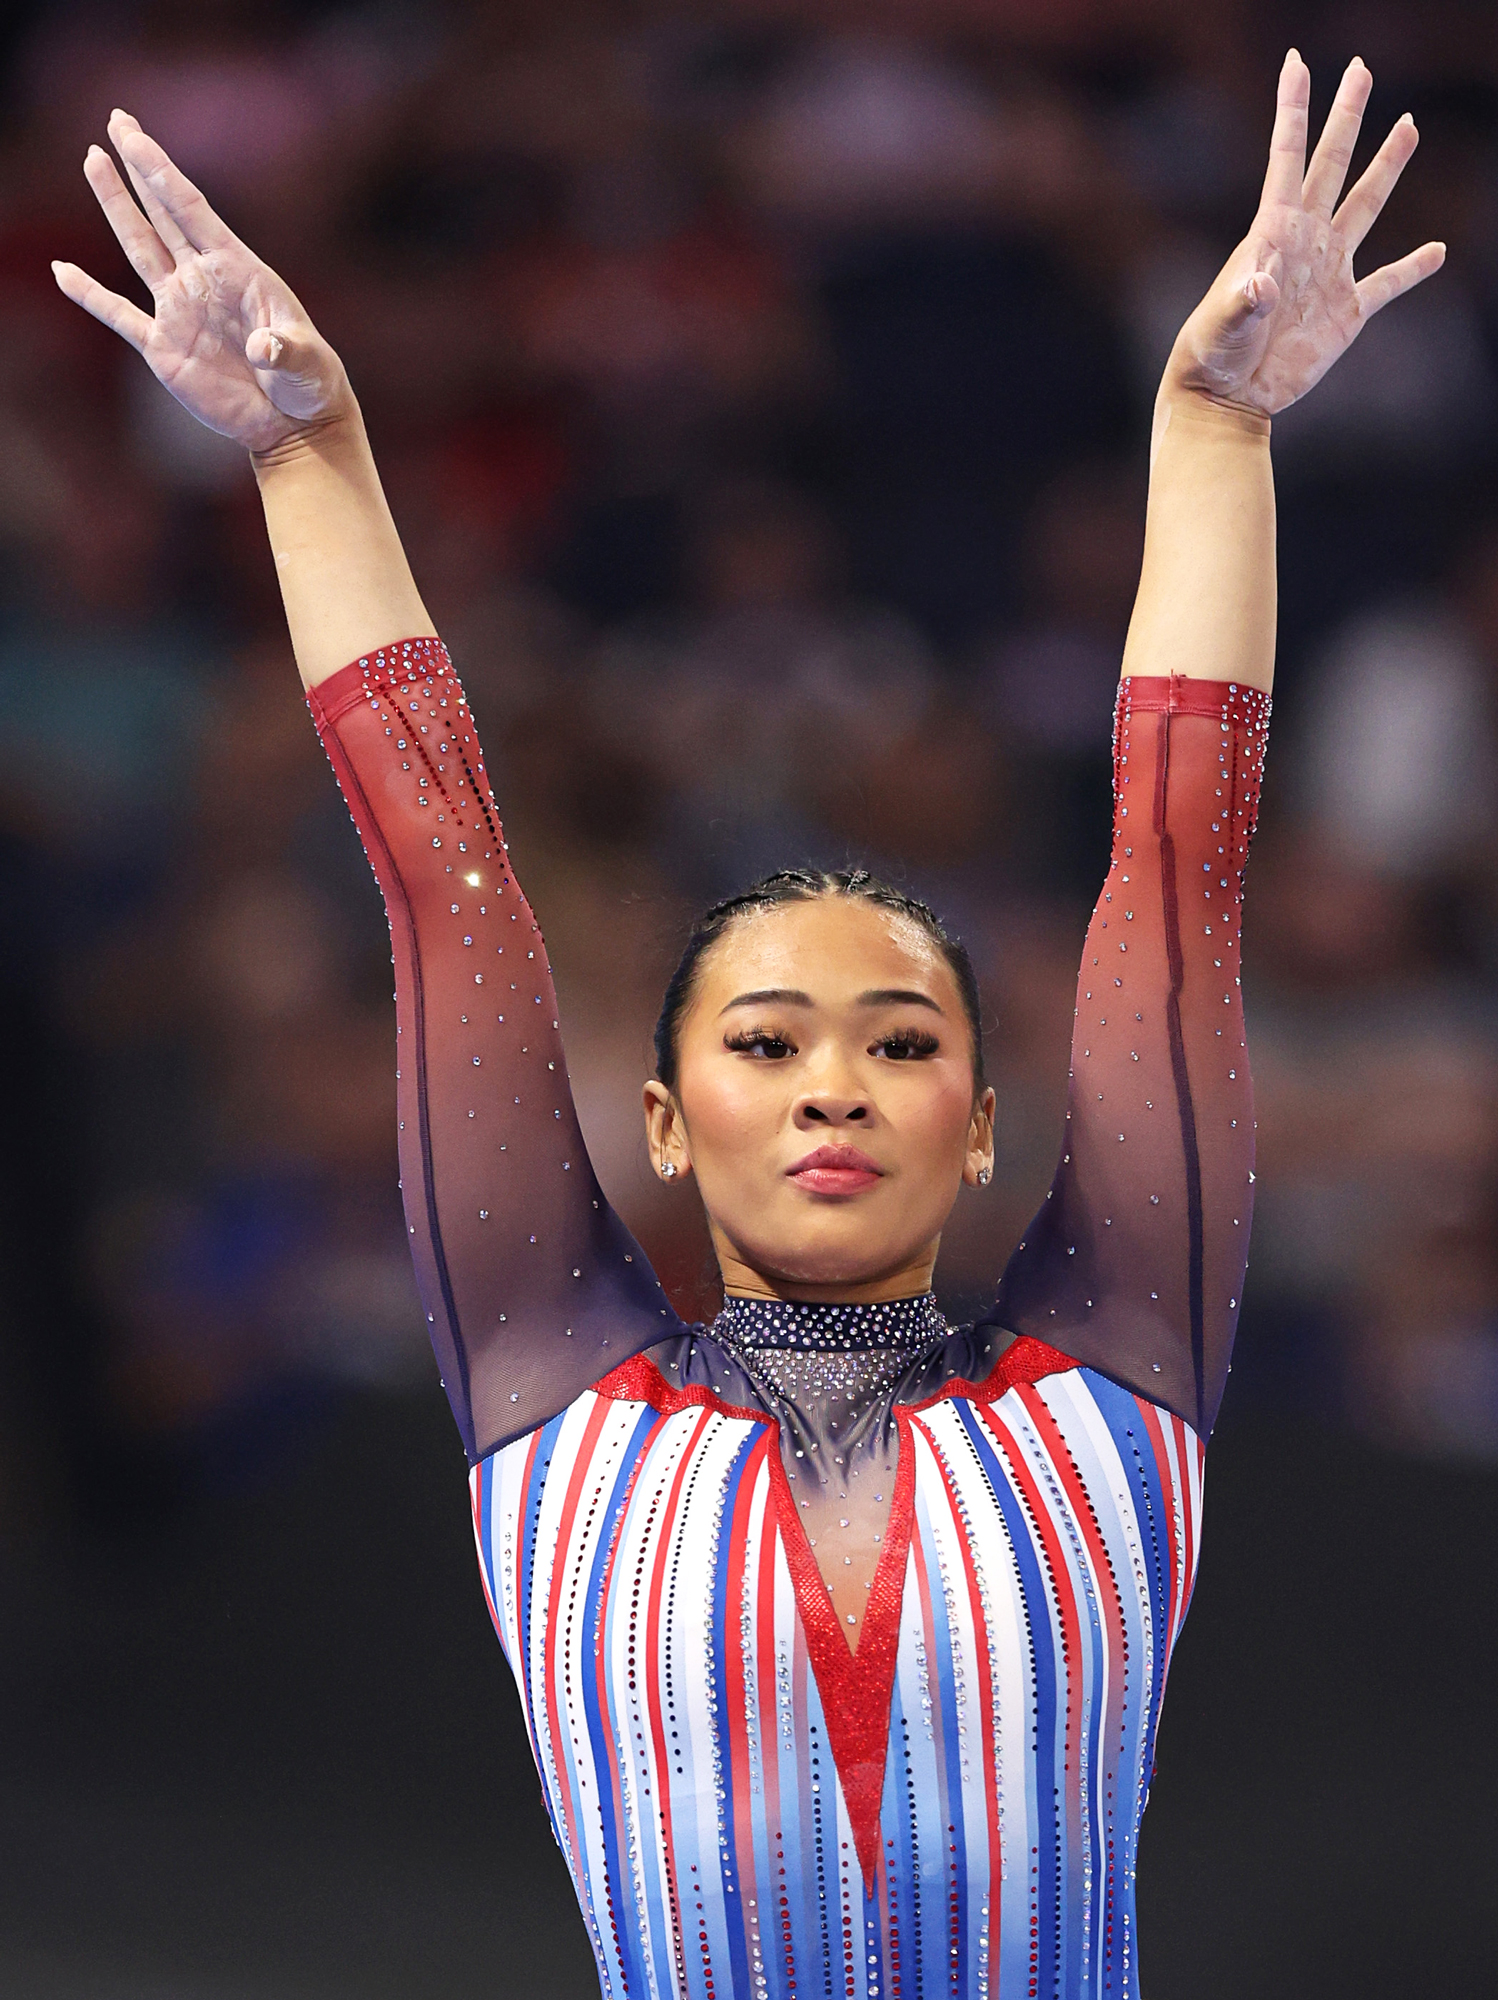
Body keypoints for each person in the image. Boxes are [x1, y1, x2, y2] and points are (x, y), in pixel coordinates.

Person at [54, 50, 1442, 1998]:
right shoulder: (551, 1387)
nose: (830, 1089)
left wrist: (1211, 433)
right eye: (764, 1041)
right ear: (655, 1117)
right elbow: (436, 874)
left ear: (981, 1127)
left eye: (895, 1041)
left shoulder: (1111, 1385)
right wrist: (314, 456)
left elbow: (1172, 860)